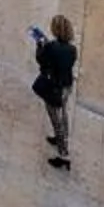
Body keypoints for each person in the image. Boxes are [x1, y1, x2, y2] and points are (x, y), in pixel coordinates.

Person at [31, 14, 78, 169]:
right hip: (66, 86)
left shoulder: (51, 47)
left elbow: (41, 59)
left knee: (56, 119)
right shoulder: (72, 50)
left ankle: (63, 155)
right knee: (62, 115)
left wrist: (40, 45)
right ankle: (60, 140)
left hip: (54, 87)